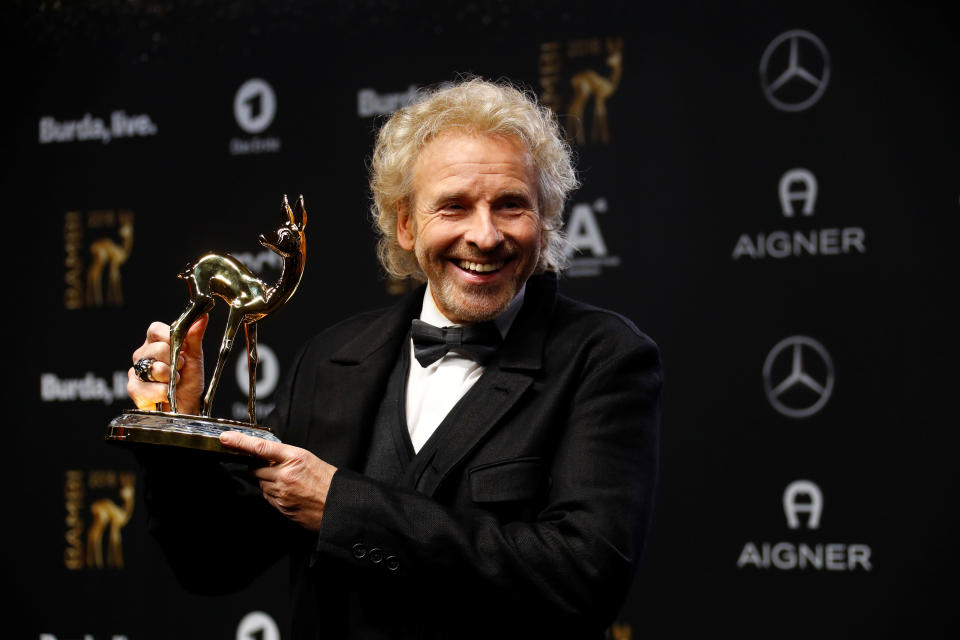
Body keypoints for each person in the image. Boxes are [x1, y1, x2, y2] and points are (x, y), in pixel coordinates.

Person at [127, 78, 662, 639]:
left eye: (511, 206)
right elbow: (214, 564)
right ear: (406, 224)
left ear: (545, 217)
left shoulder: (605, 358)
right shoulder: (332, 358)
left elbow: (582, 580)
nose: (485, 235)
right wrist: (174, 431)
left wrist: (341, 505)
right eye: (453, 207)